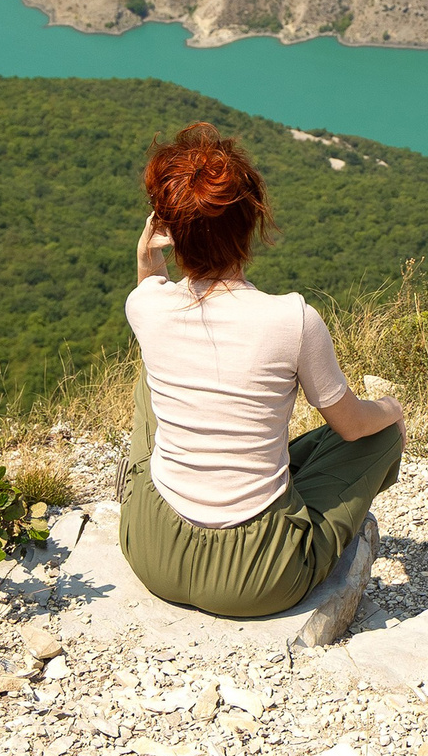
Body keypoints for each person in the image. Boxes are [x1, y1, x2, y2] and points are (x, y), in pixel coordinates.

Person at [119, 122, 405, 618]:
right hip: (257, 577)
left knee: (153, 386)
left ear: (169, 230)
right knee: (381, 434)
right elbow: (353, 426)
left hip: (151, 547)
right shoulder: (292, 319)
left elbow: (150, 288)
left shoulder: (146, 308)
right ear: (249, 226)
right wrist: (392, 408)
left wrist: (147, 257)